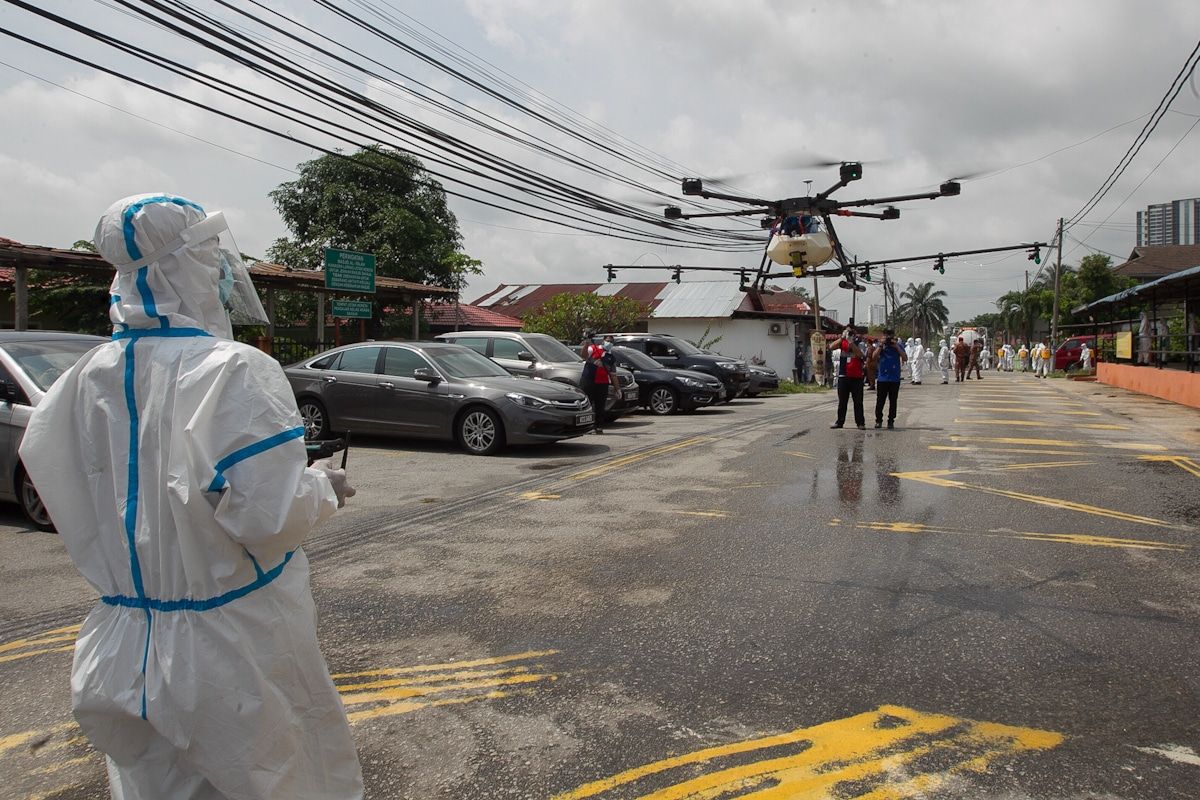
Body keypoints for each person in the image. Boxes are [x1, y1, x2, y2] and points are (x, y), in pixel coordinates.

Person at [18, 194, 363, 799]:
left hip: (121, 646)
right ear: (184, 268)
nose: (225, 271)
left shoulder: (82, 377)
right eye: (211, 256)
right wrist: (322, 489)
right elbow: (266, 517)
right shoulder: (234, 369)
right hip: (230, 648)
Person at [831, 326, 867, 429]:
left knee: (858, 402)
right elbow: (831, 347)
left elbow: (860, 355)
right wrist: (842, 338)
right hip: (843, 375)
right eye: (848, 331)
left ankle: (860, 423)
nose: (849, 334)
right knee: (842, 401)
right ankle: (840, 422)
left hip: (856, 376)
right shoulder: (842, 342)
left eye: (851, 332)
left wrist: (851, 342)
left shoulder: (859, 343)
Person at [582, 333, 618, 433]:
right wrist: (586, 343)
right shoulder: (593, 348)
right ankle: (587, 426)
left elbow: (613, 375)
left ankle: (598, 426)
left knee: (600, 406)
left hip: (602, 383)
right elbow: (584, 356)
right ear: (603, 341)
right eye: (607, 340)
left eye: (611, 341)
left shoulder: (611, 357)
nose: (609, 343)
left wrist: (617, 389)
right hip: (589, 381)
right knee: (588, 404)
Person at [873, 329, 907, 429]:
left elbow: (905, 358)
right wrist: (880, 345)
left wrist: (896, 346)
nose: (888, 338)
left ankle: (891, 421)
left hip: (894, 378)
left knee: (893, 401)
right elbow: (874, 357)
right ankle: (878, 420)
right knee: (880, 401)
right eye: (886, 336)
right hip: (882, 378)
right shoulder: (881, 345)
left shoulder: (898, 345)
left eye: (890, 336)